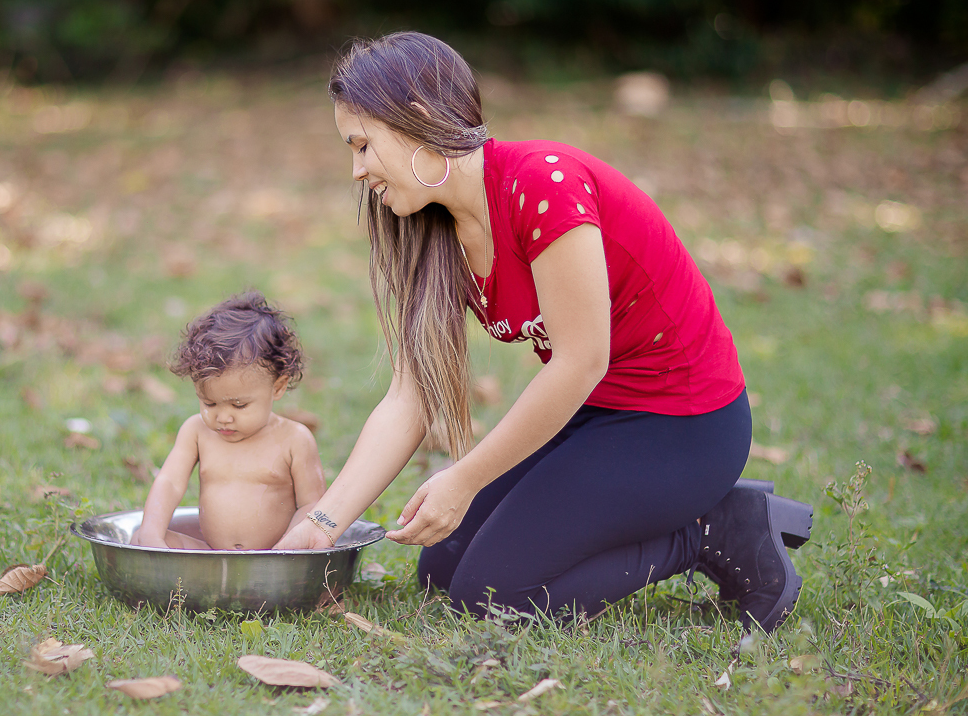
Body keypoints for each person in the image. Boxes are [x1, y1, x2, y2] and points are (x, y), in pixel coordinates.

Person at [274, 32, 812, 633]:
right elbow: (411, 395)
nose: (356, 170)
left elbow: (581, 360)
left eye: (362, 145)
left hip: (683, 423)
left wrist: (465, 478)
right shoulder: (433, 228)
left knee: (491, 597)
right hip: (593, 415)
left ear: (417, 118)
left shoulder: (542, 184)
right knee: (441, 569)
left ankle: (712, 531)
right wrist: (323, 525)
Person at [134, 292, 327, 551]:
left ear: (278, 387)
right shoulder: (196, 431)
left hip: (277, 556)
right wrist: (151, 532)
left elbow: (312, 505)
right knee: (139, 537)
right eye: (209, 403)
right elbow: (170, 482)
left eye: (239, 405)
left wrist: (285, 550)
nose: (223, 418)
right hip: (212, 556)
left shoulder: (294, 439)